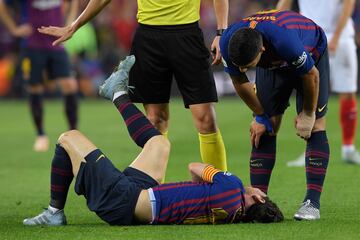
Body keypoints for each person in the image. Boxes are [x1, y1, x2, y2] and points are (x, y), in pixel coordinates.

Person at [22, 56, 284, 226]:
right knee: (160, 144)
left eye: (260, 192)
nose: (257, 189)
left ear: (259, 199)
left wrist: (200, 183)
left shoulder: (234, 187)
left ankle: (54, 212)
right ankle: (117, 93)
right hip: (140, 199)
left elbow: (194, 166)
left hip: (123, 200)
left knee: (68, 138)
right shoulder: (229, 217)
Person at [37, 0, 229, 171]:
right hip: (148, 38)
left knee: (205, 119)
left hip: (187, 34)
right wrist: (74, 25)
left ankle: (224, 189)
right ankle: (153, 195)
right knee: (155, 120)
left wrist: (222, 32)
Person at [219, 10, 330, 220]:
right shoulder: (228, 43)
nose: (242, 69)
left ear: (261, 49)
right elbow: (240, 82)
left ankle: (311, 204)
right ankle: (258, 203)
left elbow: (311, 75)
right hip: (272, 63)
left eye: (247, 65)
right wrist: (259, 115)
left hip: (311, 55)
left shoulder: (285, 40)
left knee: (315, 126)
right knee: (265, 126)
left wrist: (307, 114)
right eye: (240, 65)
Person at [277, 0, 360, 166]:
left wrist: (336, 36)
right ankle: (311, 150)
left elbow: (349, 3)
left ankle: (348, 148)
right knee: (311, 91)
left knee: (348, 91)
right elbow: (283, 6)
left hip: (341, 37)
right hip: (310, 37)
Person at [0, 0, 79, 152]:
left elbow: (73, 2)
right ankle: (41, 135)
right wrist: (14, 29)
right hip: (32, 45)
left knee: (70, 84)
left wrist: (70, 26)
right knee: (34, 86)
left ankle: (74, 133)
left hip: (57, 43)